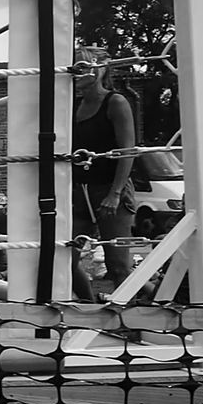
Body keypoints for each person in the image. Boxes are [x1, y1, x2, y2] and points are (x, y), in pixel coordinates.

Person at [71, 46, 136, 301]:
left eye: (84, 66)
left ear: (101, 69)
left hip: (110, 188)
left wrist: (115, 193)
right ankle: (89, 307)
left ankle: (134, 317)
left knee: (117, 264)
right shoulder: (72, 105)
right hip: (80, 191)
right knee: (65, 256)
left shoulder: (116, 102)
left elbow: (127, 151)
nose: (79, 72)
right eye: (76, 67)